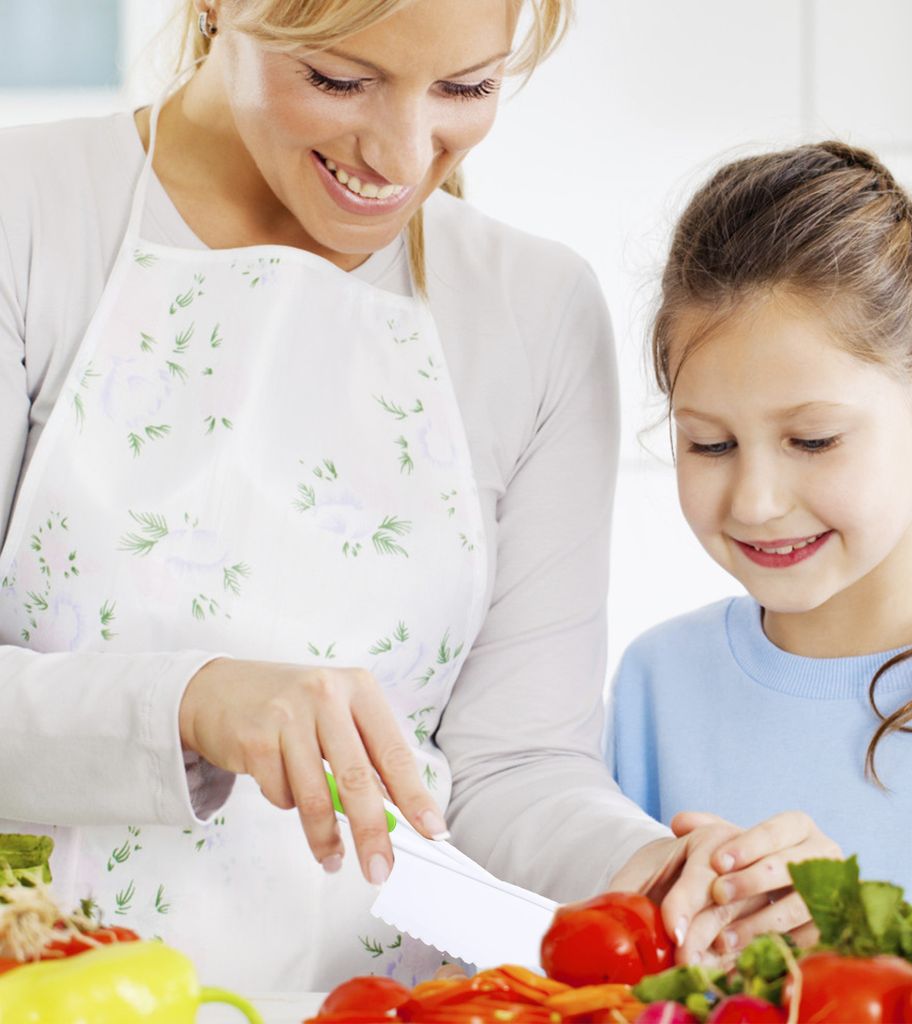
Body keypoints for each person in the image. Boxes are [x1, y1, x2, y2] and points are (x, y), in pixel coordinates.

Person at [0, 0, 682, 991]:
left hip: (393, 1005)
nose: (403, 154)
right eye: (339, 80)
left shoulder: (534, 310)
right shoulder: (28, 216)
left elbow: (515, 768)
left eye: (466, 88)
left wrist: (650, 875)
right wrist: (188, 701)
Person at [607, 141, 912, 967]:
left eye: (813, 439)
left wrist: (857, 932)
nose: (756, 501)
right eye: (711, 444)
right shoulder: (659, 680)